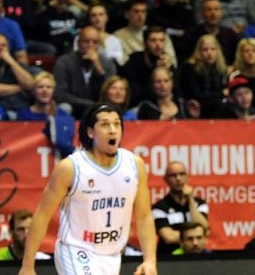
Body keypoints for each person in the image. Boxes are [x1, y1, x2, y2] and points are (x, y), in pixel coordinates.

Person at [20, 103, 158, 275]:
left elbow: (144, 216)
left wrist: (150, 260)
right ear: (91, 132)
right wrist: (27, 266)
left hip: (112, 254)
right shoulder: (70, 168)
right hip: (75, 249)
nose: (113, 130)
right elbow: (42, 215)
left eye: (117, 124)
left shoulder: (134, 165)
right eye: (105, 124)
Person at [152, 161, 210, 255]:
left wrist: (190, 200)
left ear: (187, 177)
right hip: (168, 259)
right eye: (173, 175)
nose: (178, 178)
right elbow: (168, 237)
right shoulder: (159, 208)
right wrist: (195, 236)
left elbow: (204, 230)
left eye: (182, 174)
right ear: (166, 179)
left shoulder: (199, 203)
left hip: (196, 257)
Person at [16, 71, 76, 158]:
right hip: (30, 157)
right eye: (40, 87)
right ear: (33, 91)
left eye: (49, 87)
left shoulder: (62, 114)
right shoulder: (23, 114)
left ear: (53, 91)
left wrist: (54, 118)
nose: (45, 90)